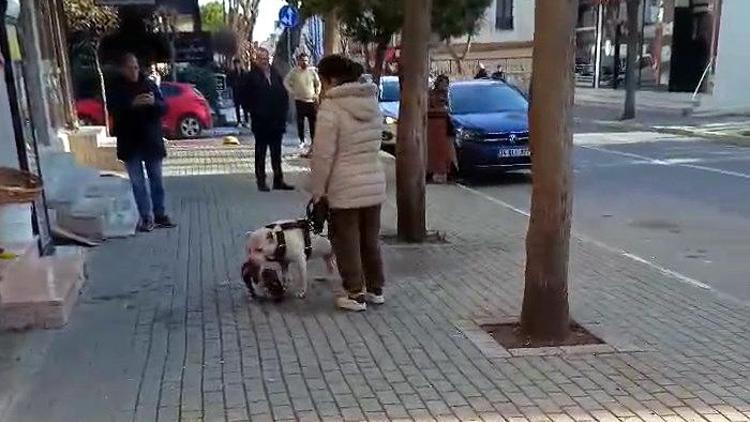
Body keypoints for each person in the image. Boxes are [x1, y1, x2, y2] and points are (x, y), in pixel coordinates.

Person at [310, 55, 387, 312]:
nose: (322, 87)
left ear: (331, 79)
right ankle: (376, 289)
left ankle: (354, 293)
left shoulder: (331, 108)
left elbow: (322, 155)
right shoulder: (372, 101)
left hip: (344, 185)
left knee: (346, 240)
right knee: (370, 239)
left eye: (322, 81)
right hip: (374, 182)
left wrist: (318, 191)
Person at [107, 53, 175, 232]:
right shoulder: (116, 88)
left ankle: (159, 214)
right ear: (123, 69)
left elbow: (164, 107)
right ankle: (146, 217)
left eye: (136, 67)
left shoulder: (149, 84)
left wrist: (153, 103)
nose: (134, 71)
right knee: (138, 183)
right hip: (130, 143)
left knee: (157, 180)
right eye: (130, 68)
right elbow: (113, 111)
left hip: (150, 140)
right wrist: (132, 105)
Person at [239, 48, 294, 192]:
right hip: (261, 121)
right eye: (261, 58)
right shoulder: (251, 76)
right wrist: (254, 111)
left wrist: (284, 112)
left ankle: (278, 180)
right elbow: (244, 98)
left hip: (277, 120)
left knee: (276, 152)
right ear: (256, 60)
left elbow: (282, 93)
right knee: (261, 152)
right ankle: (261, 181)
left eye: (265, 58)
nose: (264, 61)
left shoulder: (275, 74)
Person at [284, 52, 321, 150]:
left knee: (312, 122)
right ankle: (301, 140)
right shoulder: (294, 72)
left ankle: (313, 141)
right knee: (300, 122)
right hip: (299, 100)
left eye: (306, 60)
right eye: (302, 60)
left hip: (311, 101)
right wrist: (292, 91)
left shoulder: (312, 71)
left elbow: (318, 83)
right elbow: (286, 82)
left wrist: (317, 93)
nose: (304, 62)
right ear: (298, 61)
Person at [227, 58, 248, 127]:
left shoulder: (244, 72)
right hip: (236, 92)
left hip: (243, 92)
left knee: (245, 107)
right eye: (236, 64)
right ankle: (239, 121)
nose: (237, 66)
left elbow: (247, 82)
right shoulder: (232, 73)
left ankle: (246, 121)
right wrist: (233, 85)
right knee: (237, 108)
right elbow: (229, 82)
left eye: (238, 64)